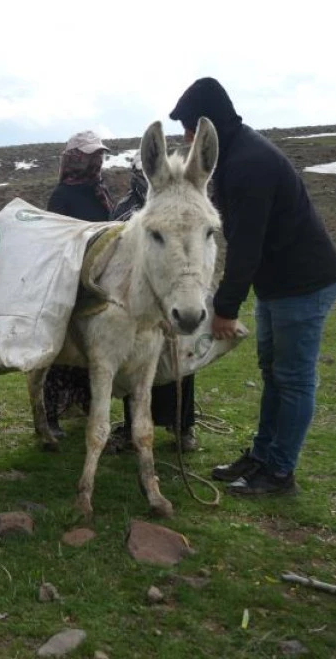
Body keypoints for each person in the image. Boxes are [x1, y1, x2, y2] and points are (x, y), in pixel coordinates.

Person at [169, 78, 336, 497]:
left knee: (294, 378)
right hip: (278, 285)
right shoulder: (232, 155)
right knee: (273, 373)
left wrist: (225, 308)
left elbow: (247, 244)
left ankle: (280, 472)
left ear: (206, 127)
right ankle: (262, 456)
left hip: (302, 283)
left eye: (190, 130)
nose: (186, 139)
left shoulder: (249, 163)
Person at [110, 154, 198, 453]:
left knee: (179, 364)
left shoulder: (181, 209)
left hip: (173, 296)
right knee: (134, 367)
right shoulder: (124, 209)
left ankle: (183, 427)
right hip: (137, 304)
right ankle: (133, 428)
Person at [41, 130, 114, 437]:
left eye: (99, 154)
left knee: (91, 346)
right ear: (75, 159)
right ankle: (51, 415)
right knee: (62, 349)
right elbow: (55, 241)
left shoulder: (100, 191)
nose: (97, 160)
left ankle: (85, 407)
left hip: (98, 278)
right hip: (70, 279)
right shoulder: (62, 196)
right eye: (90, 155)